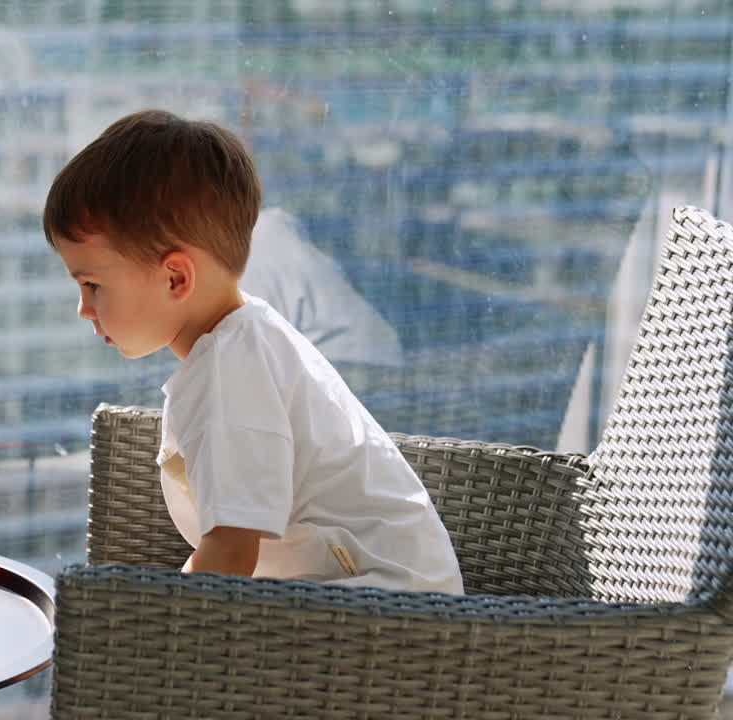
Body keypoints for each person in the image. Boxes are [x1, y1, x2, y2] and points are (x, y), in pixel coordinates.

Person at [43, 109, 463, 593]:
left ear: (176, 278)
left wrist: (156, 622)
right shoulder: (245, 336)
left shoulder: (230, 375)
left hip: (391, 611)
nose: (83, 308)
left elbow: (231, 552)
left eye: (92, 285)